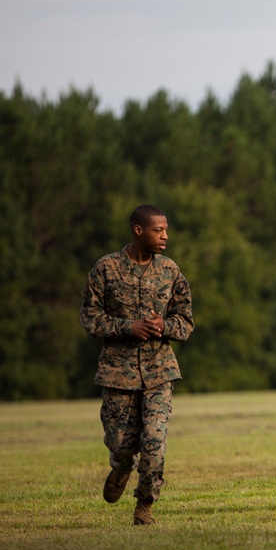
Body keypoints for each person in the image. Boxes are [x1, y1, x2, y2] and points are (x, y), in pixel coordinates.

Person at [80, 204, 194, 525]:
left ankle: (144, 507)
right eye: (159, 230)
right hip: (118, 374)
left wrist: (164, 326)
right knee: (121, 443)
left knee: (154, 443)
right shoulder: (106, 269)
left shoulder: (170, 271)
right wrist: (128, 327)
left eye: (166, 230)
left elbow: (185, 321)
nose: (165, 236)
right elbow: (90, 318)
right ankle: (120, 466)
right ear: (138, 230)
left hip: (160, 372)